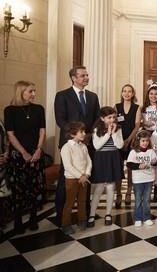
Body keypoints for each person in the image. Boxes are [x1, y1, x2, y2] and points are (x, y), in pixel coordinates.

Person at [54, 66, 100, 223]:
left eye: (87, 75)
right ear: (74, 78)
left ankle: (84, 214)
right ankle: (61, 215)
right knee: (65, 179)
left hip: (87, 143)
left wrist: (87, 136)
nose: (86, 77)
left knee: (86, 177)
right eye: (82, 75)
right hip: (69, 143)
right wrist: (75, 136)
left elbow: (97, 119)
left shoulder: (93, 97)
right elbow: (60, 120)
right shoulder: (62, 96)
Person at [5, 81, 46, 233]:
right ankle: (17, 220)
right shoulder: (10, 110)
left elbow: (42, 131)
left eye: (34, 91)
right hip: (18, 155)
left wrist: (38, 150)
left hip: (36, 153)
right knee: (18, 189)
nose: (34, 94)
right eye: (30, 91)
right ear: (21, 92)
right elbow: (10, 134)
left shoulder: (38, 109)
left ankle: (33, 218)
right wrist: (23, 152)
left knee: (34, 187)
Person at [88, 107, 124, 227]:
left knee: (110, 187)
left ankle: (108, 214)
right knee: (98, 188)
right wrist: (108, 133)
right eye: (109, 117)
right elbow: (97, 146)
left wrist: (113, 133)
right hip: (101, 159)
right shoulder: (97, 129)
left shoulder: (118, 129)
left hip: (113, 158)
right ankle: (92, 215)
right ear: (102, 118)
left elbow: (120, 145)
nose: (112, 120)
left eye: (114, 117)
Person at [60, 121, 92, 234]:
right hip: (72, 179)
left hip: (84, 178)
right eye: (81, 132)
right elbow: (68, 166)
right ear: (73, 134)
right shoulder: (66, 148)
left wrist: (86, 174)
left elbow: (89, 161)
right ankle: (65, 224)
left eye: (84, 131)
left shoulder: (83, 146)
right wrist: (80, 176)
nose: (84, 133)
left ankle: (82, 219)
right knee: (70, 202)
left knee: (82, 201)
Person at [114, 84, 142, 209]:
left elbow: (137, 126)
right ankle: (119, 194)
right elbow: (114, 123)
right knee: (118, 168)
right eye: (124, 91)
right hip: (118, 141)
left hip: (131, 141)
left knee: (130, 168)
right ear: (121, 93)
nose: (127, 93)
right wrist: (121, 141)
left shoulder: (137, 107)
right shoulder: (116, 107)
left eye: (129, 91)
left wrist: (128, 140)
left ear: (133, 94)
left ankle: (128, 193)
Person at [126, 130, 157, 227]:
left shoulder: (151, 151)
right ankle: (137, 218)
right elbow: (129, 164)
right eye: (143, 141)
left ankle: (147, 217)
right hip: (138, 180)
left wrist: (154, 162)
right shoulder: (134, 152)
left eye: (147, 141)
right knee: (138, 200)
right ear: (138, 141)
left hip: (149, 179)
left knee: (147, 199)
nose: (145, 143)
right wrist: (139, 165)